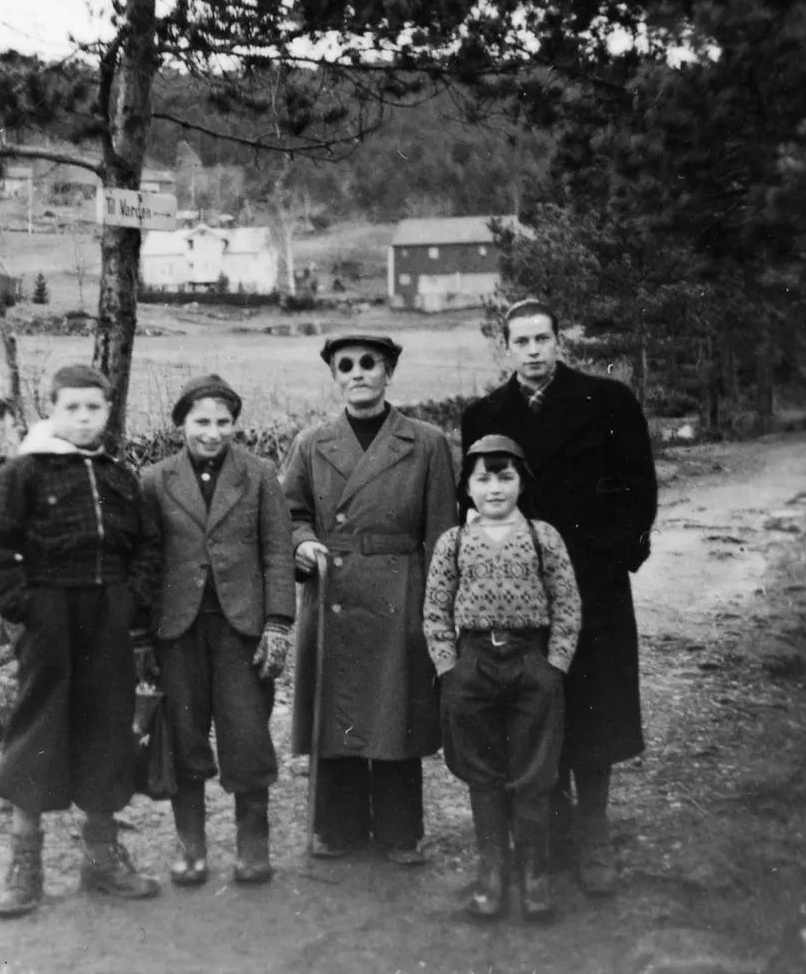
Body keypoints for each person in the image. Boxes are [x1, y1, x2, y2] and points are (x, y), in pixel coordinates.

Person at [460, 299, 658, 895]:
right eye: (521, 342)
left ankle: (594, 832)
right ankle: (551, 827)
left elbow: (638, 482)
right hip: (519, 588)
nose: (534, 351)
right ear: (506, 346)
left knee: (595, 700)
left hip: (592, 577)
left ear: (558, 339)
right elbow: (471, 500)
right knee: (533, 703)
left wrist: (617, 550)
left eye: (543, 338)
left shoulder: (608, 401)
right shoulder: (485, 414)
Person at [0, 364, 162, 918]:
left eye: (94, 408)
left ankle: (101, 861)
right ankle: (24, 869)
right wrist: (25, 606)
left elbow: (147, 548)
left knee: (108, 726)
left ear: (108, 411)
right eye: (71, 407)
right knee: (39, 726)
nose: (83, 417)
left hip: (108, 615)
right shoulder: (24, 472)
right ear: (51, 410)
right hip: (49, 614)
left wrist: (131, 600)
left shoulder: (119, 477)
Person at [282, 333, 456, 864]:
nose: (357, 373)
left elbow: (444, 532)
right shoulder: (311, 442)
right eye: (345, 366)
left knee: (394, 706)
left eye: (368, 364)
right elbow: (289, 513)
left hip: (400, 589)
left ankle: (401, 832)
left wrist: (436, 606)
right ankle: (338, 828)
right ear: (334, 376)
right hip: (332, 587)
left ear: (388, 372)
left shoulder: (426, 442)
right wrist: (304, 542)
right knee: (339, 708)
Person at [141, 375, 295, 887]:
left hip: (241, 629)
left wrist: (277, 624)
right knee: (185, 736)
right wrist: (141, 636)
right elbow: (146, 560)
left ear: (235, 425)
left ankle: (253, 845)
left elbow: (277, 552)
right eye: (201, 421)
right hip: (177, 630)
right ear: (181, 423)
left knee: (247, 734)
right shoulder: (155, 480)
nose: (212, 432)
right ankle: (191, 847)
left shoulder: (259, 475)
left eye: (223, 422)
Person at [424, 435, 581, 921]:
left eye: (505, 477)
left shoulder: (542, 536)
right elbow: (434, 610)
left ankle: (534, 872)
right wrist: (449, 667)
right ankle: (493, 869)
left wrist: (554, 664)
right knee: (483, 770)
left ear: (521, 482)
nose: (495, 488)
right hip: (472, 664)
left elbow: (567, 602)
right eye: (483, 478)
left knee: (533, 771)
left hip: (531, 661)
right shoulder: (454, 542)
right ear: (467, 487)